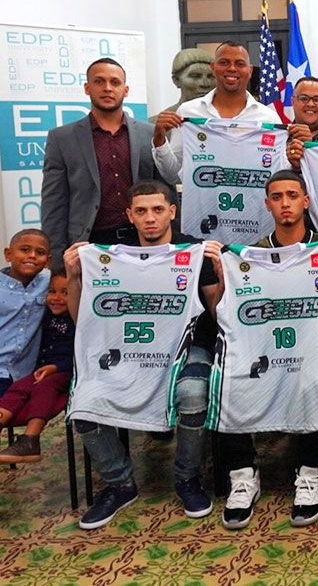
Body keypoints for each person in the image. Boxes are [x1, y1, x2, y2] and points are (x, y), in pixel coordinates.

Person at [63, 180, 221, 528]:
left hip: (187, 349)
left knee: (193, 394)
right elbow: (82, 319)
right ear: (129, 216)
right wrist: (74, 277)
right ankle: (120, 484)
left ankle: (186, 477)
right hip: (127, 351)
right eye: (141, 211)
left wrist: (223, 275)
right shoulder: (110, 256)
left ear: (172, 212)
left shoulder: (193, 251)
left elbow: (217, 313)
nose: (150, 218)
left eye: (158, 210)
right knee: (84, 401)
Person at [204, 170, 318, 529]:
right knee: (228, 380)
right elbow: (222, 312)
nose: (285, 203)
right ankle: (243, 475)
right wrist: (222, 277)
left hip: (312, 347)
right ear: (267, 204)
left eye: (292, 196)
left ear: (305, 201)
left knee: (315, 378)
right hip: (260, 348)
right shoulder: (249, 256)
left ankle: (311, 473)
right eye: (277, 197)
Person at [41, 58, 167, 267]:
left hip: (144, 242)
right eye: (99, 82)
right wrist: (57, 260)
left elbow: (166, 190)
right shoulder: (61, 139)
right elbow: (54, 202)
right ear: (87, 88)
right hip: (89, 245)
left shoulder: (149, 134)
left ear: (125, 90)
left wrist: (174, 241)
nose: (107, 88)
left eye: (115, 82)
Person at [151, 41, 281, 183]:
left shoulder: (269, 118)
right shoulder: (188, 112)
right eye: (224, 62)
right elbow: (174, 175)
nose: (232, 68)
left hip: (255, 205)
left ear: (250, 71)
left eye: (240, 64)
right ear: (213, 68)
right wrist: (159, 140)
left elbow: (278, 175)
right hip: (202, 205)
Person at [0, 269, 74, 462]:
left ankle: (31, 439)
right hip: (39, 370)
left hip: (64, 372)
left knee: (45, 387)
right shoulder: (45, 315)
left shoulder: (77, 320)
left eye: (66, 293)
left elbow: (79, 354)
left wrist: (55, 368)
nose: (57, 298)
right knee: (19, 387)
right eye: (52, 292)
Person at [0, 230, 52, 399]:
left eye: (40, 253)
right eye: (24, 249)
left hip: (22, 373)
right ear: (8, 254)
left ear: (48, 261)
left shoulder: (49, 286)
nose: (32, 256)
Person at [149, 48, 215, 121]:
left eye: (211, 77)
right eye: (195, 76)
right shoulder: (156, 124)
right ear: (176, 80)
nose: (205, 84)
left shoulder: (226, 119)